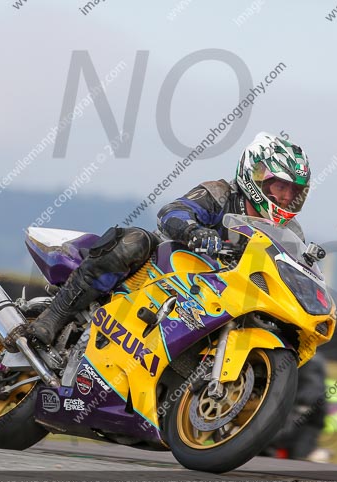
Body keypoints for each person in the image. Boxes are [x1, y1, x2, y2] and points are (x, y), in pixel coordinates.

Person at [26, 131, 312, 346]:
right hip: (164, 274)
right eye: (281, 186)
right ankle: (54, 315)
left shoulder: (292, 234)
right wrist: (194, 232)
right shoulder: (220, 193)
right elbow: (172, 212)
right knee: (134, 241)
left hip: (219, 300)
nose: (286, 197)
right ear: (255, 176)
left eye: (294, 191)